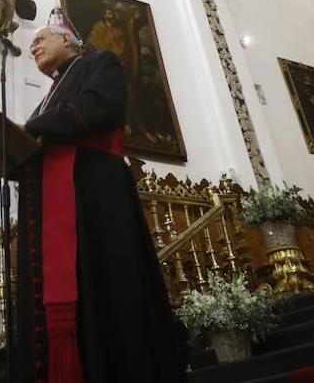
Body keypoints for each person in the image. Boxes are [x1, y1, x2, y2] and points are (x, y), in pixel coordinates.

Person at [14, 22, 186, 382]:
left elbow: (98, 108)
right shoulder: (51, 93)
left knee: (106, 290)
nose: (33, 48)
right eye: (31, 45)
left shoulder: (99, 63)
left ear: (66, 39)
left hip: (94, 195)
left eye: (39, 40)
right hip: (58, 201)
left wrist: (30, 129)